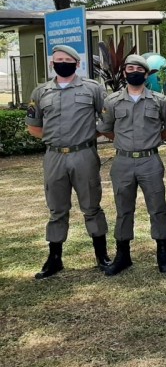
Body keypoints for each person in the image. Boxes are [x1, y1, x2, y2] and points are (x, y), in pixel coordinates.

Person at [25, 44, 111, 279]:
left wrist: (83, 138)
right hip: (54, 156)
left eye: (66, 59)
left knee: (91, 205)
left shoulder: (92, 89)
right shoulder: (41, 92)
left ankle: (102, 255)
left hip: (84, 155)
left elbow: (105, 121)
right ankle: (54, 258)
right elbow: (33, 127)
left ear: (76, 63)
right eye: (57, 59)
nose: (61, 62)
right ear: (52, 64)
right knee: (57, 208)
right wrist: (56, 139)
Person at [98, 54, 166, 275]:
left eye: (139, 69)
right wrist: (124, 143)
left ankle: (163, 253)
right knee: (124, 209)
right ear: (124, 73)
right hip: (122, 161)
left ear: (145, 74)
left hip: (150, 160)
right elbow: (106, 129)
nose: (134, 72)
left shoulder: (159, 100)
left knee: (158, 208)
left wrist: (151, 142)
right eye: (130, 69)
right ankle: (123, 256)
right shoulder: (112, 102)